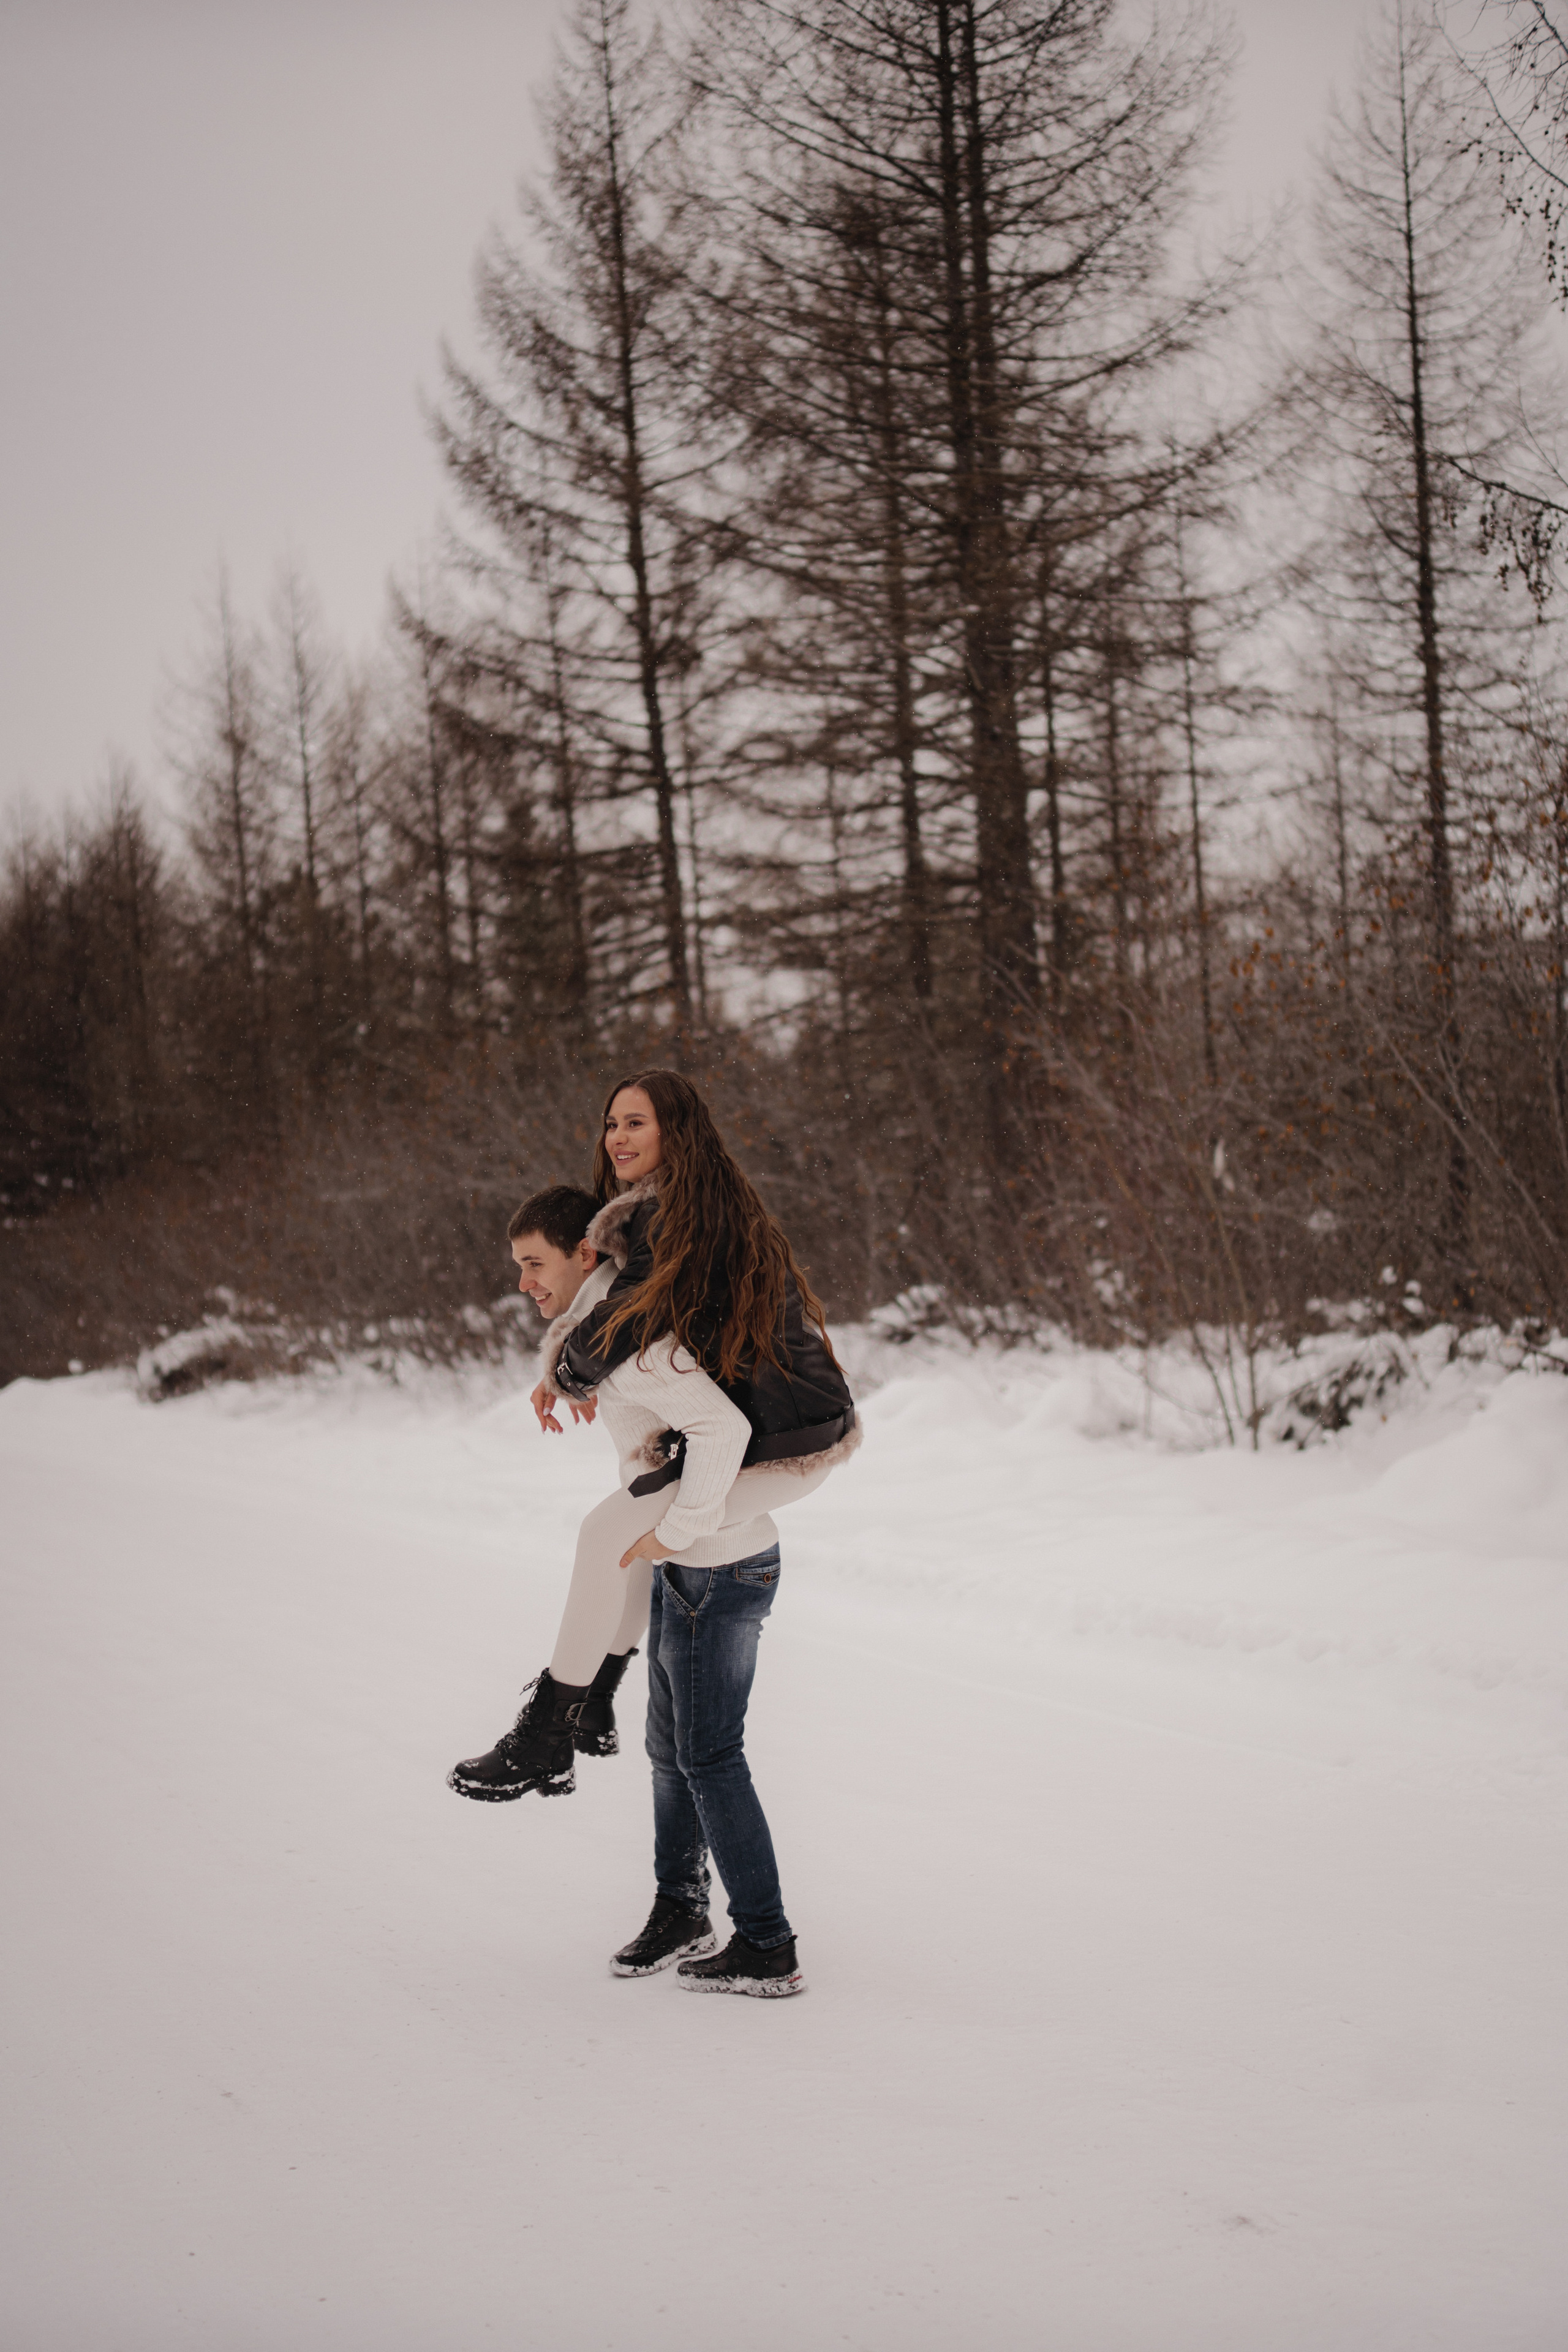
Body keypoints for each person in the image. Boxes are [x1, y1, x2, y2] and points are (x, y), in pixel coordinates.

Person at [453, 1071, 857, 1997]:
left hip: (772, 1470)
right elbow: (626, 1356)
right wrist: (571, 1367)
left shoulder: (673, 1238)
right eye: (610, 1122)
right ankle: (678, 1903)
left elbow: (691, 1404)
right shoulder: (650, 1240)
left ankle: (763, 1938)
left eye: (636, 1121)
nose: (617, 1135)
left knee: (700, 1741)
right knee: (672, 1752)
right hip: (722, 1523)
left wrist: (677, 1521)